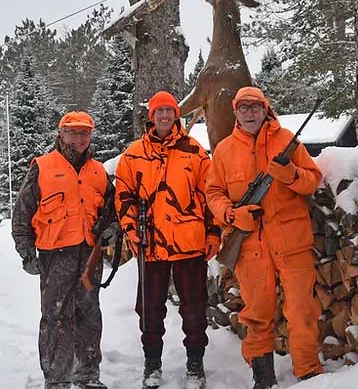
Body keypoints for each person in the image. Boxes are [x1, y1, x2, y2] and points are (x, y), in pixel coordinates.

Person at [206, 86, 323, 389]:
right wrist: (232, 215)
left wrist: (289, 175)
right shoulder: (224, 150)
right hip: (250, 245)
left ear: (265, 109)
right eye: (243, 107)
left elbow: (312, 181)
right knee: (256, 315)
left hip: (291, 242)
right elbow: (214, 193)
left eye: (255, 107)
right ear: (235, 112)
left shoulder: (287, 140)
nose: (249, 113)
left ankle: (308, 373)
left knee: (302, 310)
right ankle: (263, 378)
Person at [114, 91, 220, 389]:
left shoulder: (196, 152)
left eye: (169, 111)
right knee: (149, 310)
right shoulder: (133, 154)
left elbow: (209, 195)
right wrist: (133, 231)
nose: (164, 116)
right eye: (158, 111)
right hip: (151, 245)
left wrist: (213, 233)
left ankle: (195, 365)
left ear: (176, 115)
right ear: (151, 116)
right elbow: (124, 196)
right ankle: (152, 364)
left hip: (190, 244)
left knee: (195, 309)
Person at [12, 111, 117, 389]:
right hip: (54, 256)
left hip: (88, 254)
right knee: (56, 317)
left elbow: (114, 210)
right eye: (73, 132)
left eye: (85, 133)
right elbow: (22, 213)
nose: (79, 138)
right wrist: (25, 251)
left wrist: (111, 229)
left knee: (89, 314)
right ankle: (57, 379)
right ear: (61, 133)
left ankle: (87, 375)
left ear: (91, 135)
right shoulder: (43, 166)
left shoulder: (98, 171)